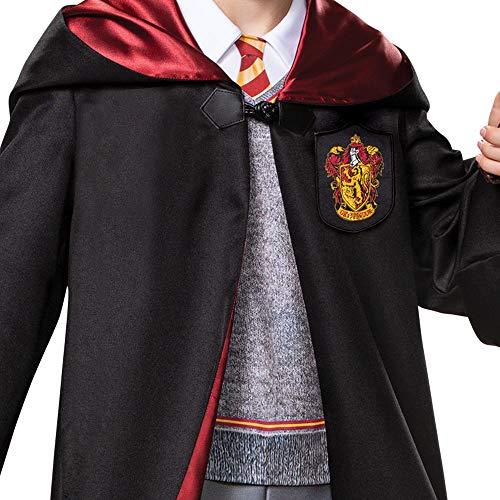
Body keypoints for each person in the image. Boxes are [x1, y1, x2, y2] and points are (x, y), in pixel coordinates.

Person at [0, 1, 499, 499]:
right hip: (151, 470)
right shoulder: (97, 60)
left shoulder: (364, 71)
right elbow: (11, 284)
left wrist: (496, 179)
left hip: (345, 473)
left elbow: (463, 267)